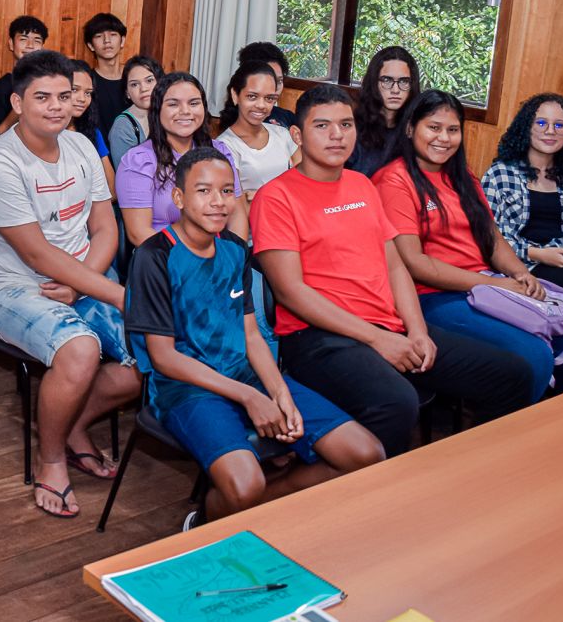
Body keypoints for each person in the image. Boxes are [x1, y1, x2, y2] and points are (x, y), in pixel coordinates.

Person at [250, 84, 530, 458]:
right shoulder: (275, 197)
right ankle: (357, 484)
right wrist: (376, 339)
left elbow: (395, 264)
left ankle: (475, 470)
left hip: (389, 325)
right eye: (322, 126)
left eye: (346, 124)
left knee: (512, 374)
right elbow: (291, 291)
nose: (337, 135)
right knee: (397, 402)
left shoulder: (362, 185)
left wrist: (417, 330)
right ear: (297, 136)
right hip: (319, 337)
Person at [125, 147, 383, 529]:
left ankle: (256, 508)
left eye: (227, 191)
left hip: (245, 374)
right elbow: (164, 357)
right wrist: (250, 397)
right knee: (244, 485)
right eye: (204, 191)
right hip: (186, 388)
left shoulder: (233, 249)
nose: (218, 201)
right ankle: (209, 520)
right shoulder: (155, 256)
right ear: (178, 197)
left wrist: (279, 392)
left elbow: (250, 334)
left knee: (365, 454)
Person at [0, 50, 141, 518]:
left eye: (64, 97)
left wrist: (84, 287)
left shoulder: (82, 147)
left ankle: (73, 424)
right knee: (80, 349)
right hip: (13, 288)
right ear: (18, 102)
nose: (56, 107)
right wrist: (120, 295)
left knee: (150, 349)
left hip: (81, 278)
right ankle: (50, 461)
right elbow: (37, 255)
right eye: (42, 97)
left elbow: (105, 228)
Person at [375, 90, 563, 403]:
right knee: (533, 357)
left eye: (452, 130)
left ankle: (562, 428)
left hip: (486, 285)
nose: (444, 138)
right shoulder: (394, 180)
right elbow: (415, 263)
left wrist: (522, 275)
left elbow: (492, 236)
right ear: (410, 128)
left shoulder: (462, 176)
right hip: (434, 297)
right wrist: (496, 284)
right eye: (434, 127)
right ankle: (518, 432)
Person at [485, 94, 563, 333]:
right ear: (527, 127)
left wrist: (556, 254)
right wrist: (538, 254)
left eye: (559, 125)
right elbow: (490, 235)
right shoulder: (500, 174)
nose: (550, 131)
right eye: (541, 123)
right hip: (517, 266)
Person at [116, 72, 246, 246]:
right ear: (157, 110)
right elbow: (139, 233)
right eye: (173, 104)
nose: (185, 111)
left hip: (220, 251)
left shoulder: (220, 151)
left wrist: (233, 255)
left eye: (193, 103)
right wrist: (193, 258)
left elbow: (237, 215)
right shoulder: (138, 161)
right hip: (164, 254)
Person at [215, 60, 299, 201]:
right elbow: (234, 203)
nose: (261, 105)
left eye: (269, 98)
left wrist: (257, 194)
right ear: (235, 95)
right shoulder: (224, 146)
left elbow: (304, 182)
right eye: (252, 96)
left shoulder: (282, 134)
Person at [348, 46, 420, 176]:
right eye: (387, 80)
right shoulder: (353, 127)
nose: (395, 90)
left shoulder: (416, 129)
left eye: (404, 81)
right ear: (373, 82)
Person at [0, 15, 49, 131]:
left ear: (42, 47)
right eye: (23, 39)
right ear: (11, 44)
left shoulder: (50, 86)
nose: (30, 45)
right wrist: (18, 110)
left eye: (37, 40)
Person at [67, 59, 116, 196]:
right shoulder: (45, 134)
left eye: (88, 93)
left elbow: (112, 190)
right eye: (74, 90)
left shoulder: (92, 133)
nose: (82, 99)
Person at [106, 55, 160, 169]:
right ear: (127, 93)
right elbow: (126, 175)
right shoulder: (122, 128)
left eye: (149, 80)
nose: (143, 89)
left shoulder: (169, 114)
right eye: (134, 84)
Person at [83, 12, 128, 130]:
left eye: (113, 34)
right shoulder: (87, 82)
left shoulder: (135, 77)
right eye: (99, 36)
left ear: (122, 41)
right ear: (90, 45)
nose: (107, 40)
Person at [236, 41, 295, 129]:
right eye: (268, 81)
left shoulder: (287, 117)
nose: (275, 89)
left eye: (279, 81)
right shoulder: (236, 118)